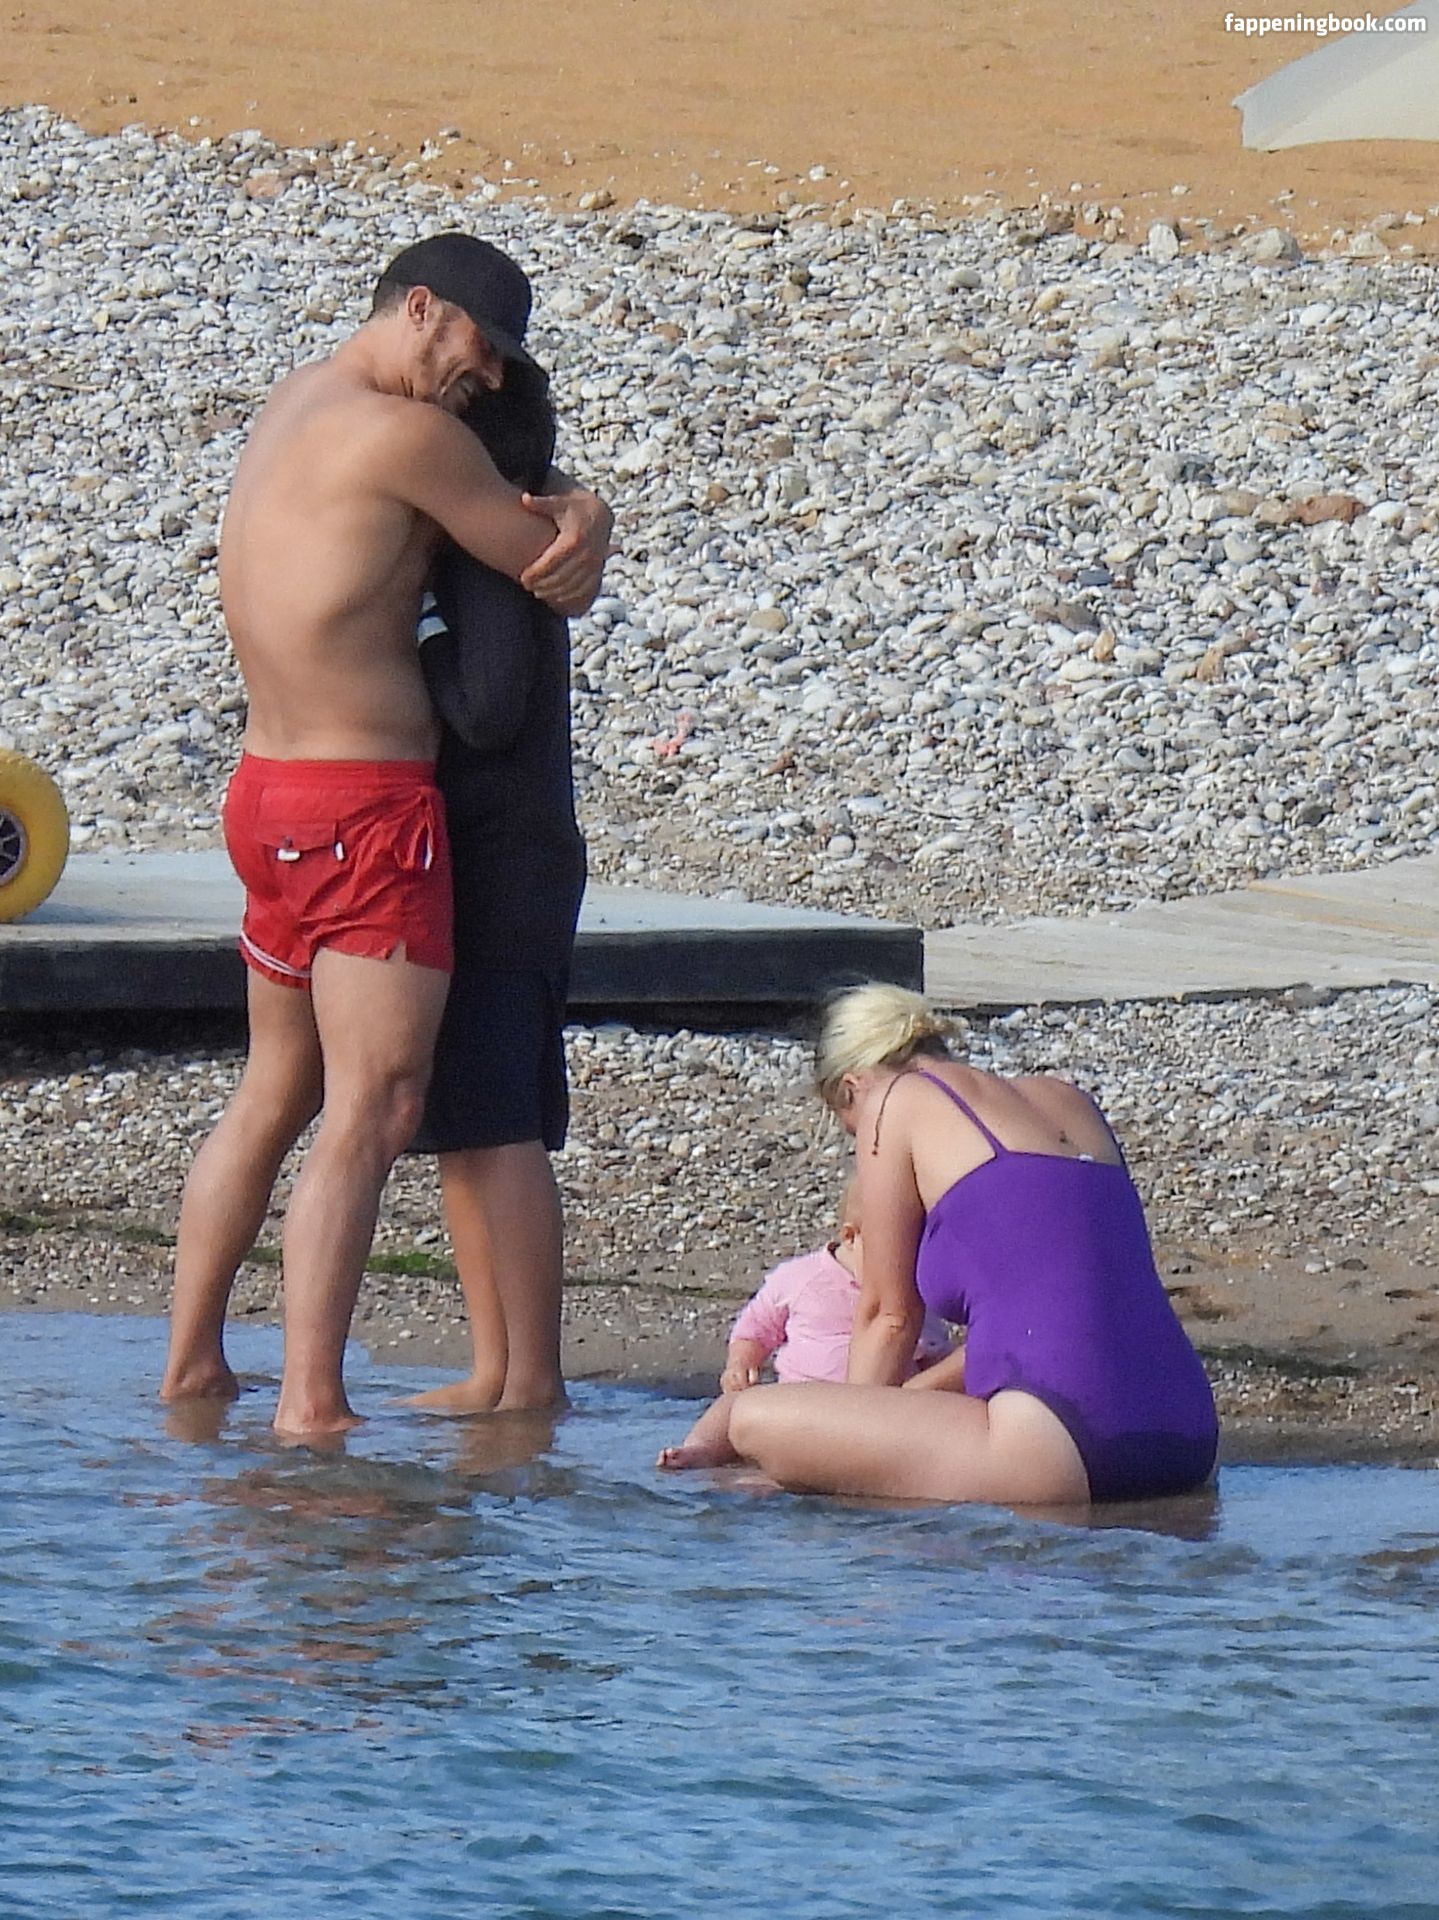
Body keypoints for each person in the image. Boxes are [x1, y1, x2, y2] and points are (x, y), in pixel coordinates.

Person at [160, 234, 609, 1437]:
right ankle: (311, 1403)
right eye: (484, 346)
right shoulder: (412, 437)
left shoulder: (294, 401)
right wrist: (590, 514)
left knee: (273, 1088)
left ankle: (192, 1364)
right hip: (361, 808)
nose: (492, 376)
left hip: (264, 792)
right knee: (374, 1106)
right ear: (420, 308)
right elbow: (551, 569)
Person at [721, 985, 1220, 1506]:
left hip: (1059, 1446)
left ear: (853, 1086)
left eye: (852, 1132)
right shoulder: (1068, 1099)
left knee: (751, 1418)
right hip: (1189, 1437)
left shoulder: (895, 1100)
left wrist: (839, 1452)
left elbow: (889, 1317)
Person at [400, 288, 603, 1416]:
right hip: (514, 854)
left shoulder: (486, 559)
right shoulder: (516, 530)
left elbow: (482, 709)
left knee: (499, 1121)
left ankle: (528, 1376)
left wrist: (414, 632)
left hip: (503, 862)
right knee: (473, 1123)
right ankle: (500, 1368)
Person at [657, 1180, 953, 1468]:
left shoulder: (913, 1300)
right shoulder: (801, 1278)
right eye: (898, 1252)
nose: (908, 1266)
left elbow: (934, 1358)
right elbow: (755, 1329)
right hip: (798, 1406)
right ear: (851, 1237)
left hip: (874, 1421)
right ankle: (701, 1449)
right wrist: (740, 1364)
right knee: (735, 1404)